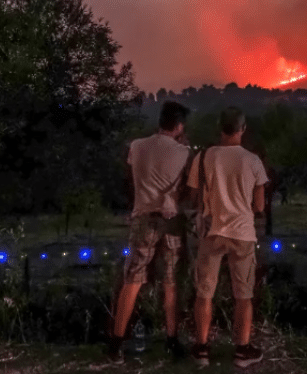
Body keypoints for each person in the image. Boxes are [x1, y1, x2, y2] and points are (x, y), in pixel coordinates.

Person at [108, 101, 191, 362]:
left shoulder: (137, 146)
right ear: (179, 126)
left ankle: (116, 342)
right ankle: (171, 339)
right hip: (172, 222)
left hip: (143, 218)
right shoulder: (184, 152)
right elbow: (186, 189)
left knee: (132, 280)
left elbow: (131, 176)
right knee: (170, 282)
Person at [187, 107, 268, 368]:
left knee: (205, 293)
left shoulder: (203, 158)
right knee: (243, 295)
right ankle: (242, 351)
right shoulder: (253, 161)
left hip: (212, 232)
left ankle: (201, 349)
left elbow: (194, 196)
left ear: (220, 128)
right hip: (242, 233)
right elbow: (259, 206)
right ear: (243, 129)